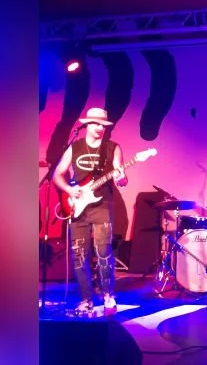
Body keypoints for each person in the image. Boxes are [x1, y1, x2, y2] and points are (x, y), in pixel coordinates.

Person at [53, 107, 128, 315]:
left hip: (102, 205)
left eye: (103, 125)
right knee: (79, 255)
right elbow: (57, 174)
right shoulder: (74, 147)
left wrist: (121, 178)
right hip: (77, 206)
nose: (100, 128)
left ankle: (108, 296)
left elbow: (121, 178)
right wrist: (69, 190)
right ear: (87, 124)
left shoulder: (112, 148)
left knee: (104, 252)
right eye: (96, 124)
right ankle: (86, 299)